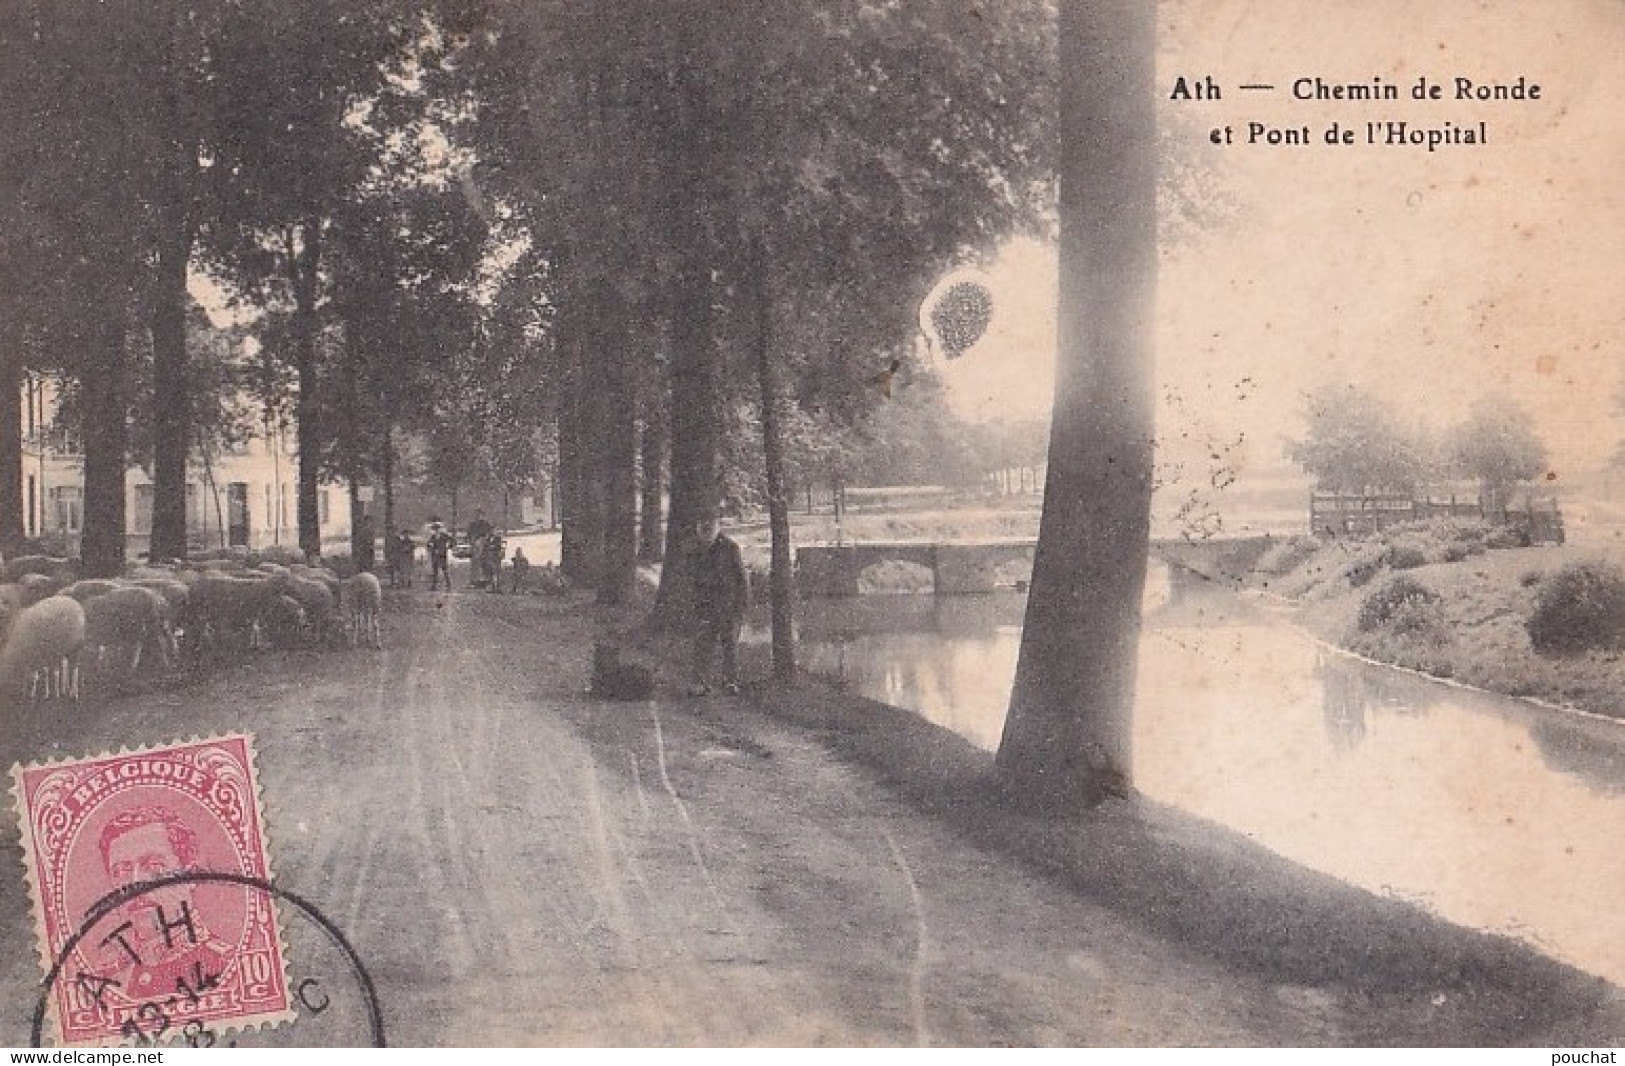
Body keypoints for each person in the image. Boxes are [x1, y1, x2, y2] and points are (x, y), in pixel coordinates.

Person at [92, 806, 234, 999]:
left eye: (153, 866)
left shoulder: (229, 965)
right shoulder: (107, 982)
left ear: (190, 875)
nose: (134, 883)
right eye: (121, 871)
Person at [688, 517, 749, 696]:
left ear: (716, 528)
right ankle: (700, 682)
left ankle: (730, 681)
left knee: (729, 645)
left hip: (727, 606)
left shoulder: (730, 548)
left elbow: (742, 580)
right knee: (703, 645)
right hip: (704, 606)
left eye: (709, 529)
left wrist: (741, 606)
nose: (705, 534)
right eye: (702, 529)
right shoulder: (695, 549)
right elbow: (690, 577)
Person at [426, 520, 453, 592]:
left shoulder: (444, 536)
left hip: (442, 555)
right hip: (435, 555)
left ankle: (448, 585)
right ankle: (434, 586)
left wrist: (447, 547)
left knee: (445, 570)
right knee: (435, 571)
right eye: (435, 529)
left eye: (437, 528)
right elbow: (428, 544)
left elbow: (452, 541)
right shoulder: (433, 537)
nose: (436, 530)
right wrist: (431, 549)